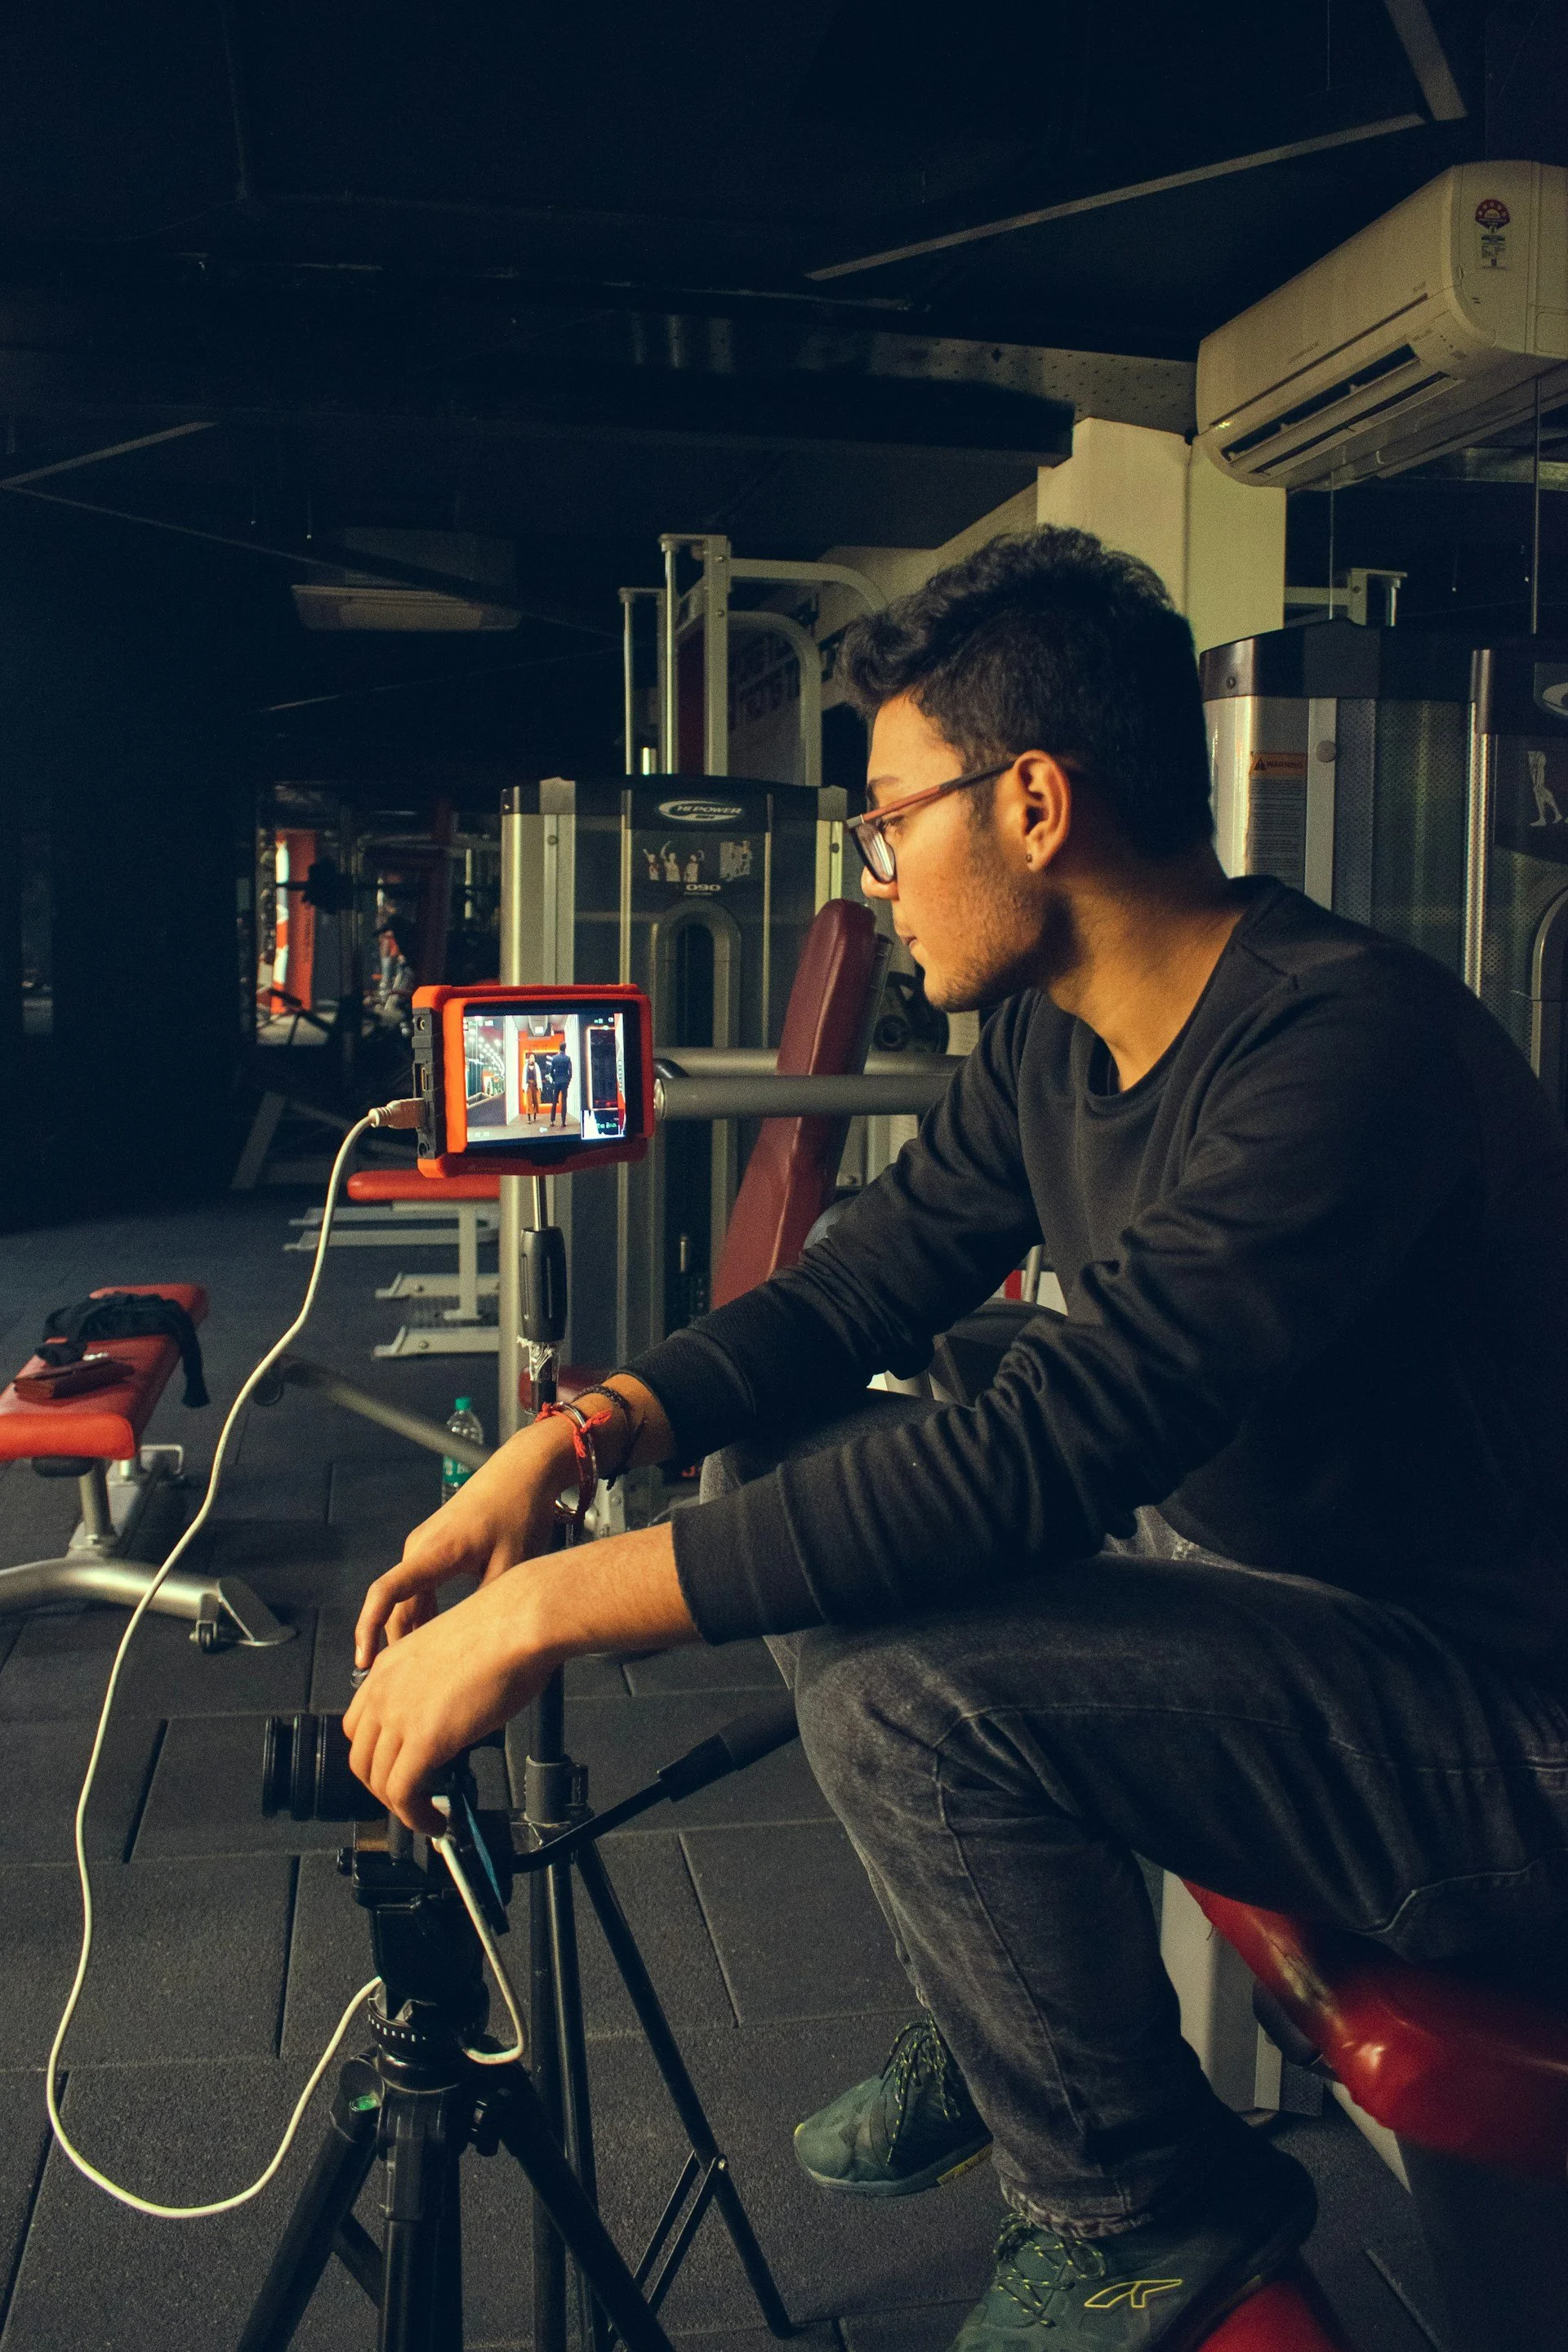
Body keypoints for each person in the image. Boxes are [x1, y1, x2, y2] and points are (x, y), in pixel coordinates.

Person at [345, 528, 1568, 2350]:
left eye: (888, 822)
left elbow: (1059, 1446)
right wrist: (576, 1439)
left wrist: (541, 1613)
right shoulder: (1053, 1047)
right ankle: (1005, 1977)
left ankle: (1139, 2202)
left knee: (905, 1692)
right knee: (817, 1482)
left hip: (1510, 1737)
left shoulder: (1343, 1052)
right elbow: (859, 1295)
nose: (880, 877)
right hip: (1314, 1629)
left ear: (1038, 802)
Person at [546, 1045, 572, 1126]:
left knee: (554, 1101)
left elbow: (551, 1071)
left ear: (559, 1049)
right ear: (565, 1049)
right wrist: (568, 1080)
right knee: (564, 1101)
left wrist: (554, 1079)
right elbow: (570, 1071)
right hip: (564, 1082)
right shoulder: (567, 1058)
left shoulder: (555, 1058)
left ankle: (552, 1120)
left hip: (557, 1081)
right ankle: (563, 1121)